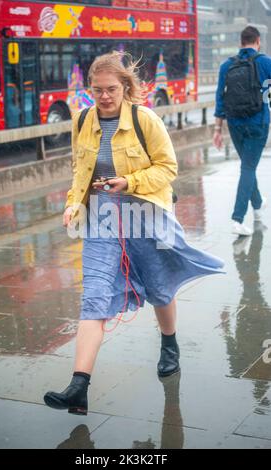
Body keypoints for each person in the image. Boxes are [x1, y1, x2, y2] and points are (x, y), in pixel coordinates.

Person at [44, 51, 224, 416]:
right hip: (101, 218)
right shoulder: (81, 120)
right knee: (93, 296)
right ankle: (79, 386)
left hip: (145, 213)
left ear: (125, 87)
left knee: (158, 285)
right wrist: (72, 203)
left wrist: (130, 181)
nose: (104, 97)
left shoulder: (146, 120)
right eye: (97, 90)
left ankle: (169, 344)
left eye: (111, 89)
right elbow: (79, 169)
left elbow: (167, 168)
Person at [214, 26, 271, 237]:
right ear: (257, 41)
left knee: (248, 165)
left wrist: (217, 130)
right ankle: (237, 220)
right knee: (248, 167)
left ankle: (257, 205)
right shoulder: (265, 62)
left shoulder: (226, 65)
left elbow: (220, 97)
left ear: (240, 42)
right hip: (258, 123)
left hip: (234, 124)